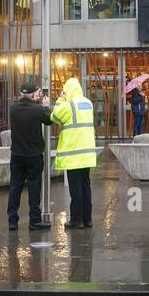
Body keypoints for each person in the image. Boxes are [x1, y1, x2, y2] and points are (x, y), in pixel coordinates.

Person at [7, 81, 56, 231]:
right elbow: (49, 120)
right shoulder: (37, 110)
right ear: (33, 94)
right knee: (34, 188)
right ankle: (34, 221)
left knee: (15, 186)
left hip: (17, 153)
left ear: (22, 93)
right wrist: (45, 105)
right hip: (34, 155)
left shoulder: (13, 108)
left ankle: (12, 221)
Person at [51, 76, 97, 228]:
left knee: (75, 189)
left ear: (68, 90)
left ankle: (76, 220)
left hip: (73, 154)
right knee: (86, 187)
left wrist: (61, 99)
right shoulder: (88, 103)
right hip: (87, 154)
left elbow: (55, 116)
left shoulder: (69, 105)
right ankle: (87, 219)